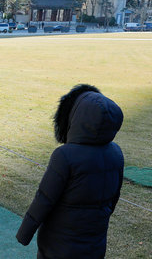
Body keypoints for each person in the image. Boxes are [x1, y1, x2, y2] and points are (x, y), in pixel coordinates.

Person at [16, 84, 124, 258]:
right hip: (96, 241)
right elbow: (114, 197)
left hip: (59, 243)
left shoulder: (65, 155)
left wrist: (24, 233)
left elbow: (44, 198)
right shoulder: (116, 152)